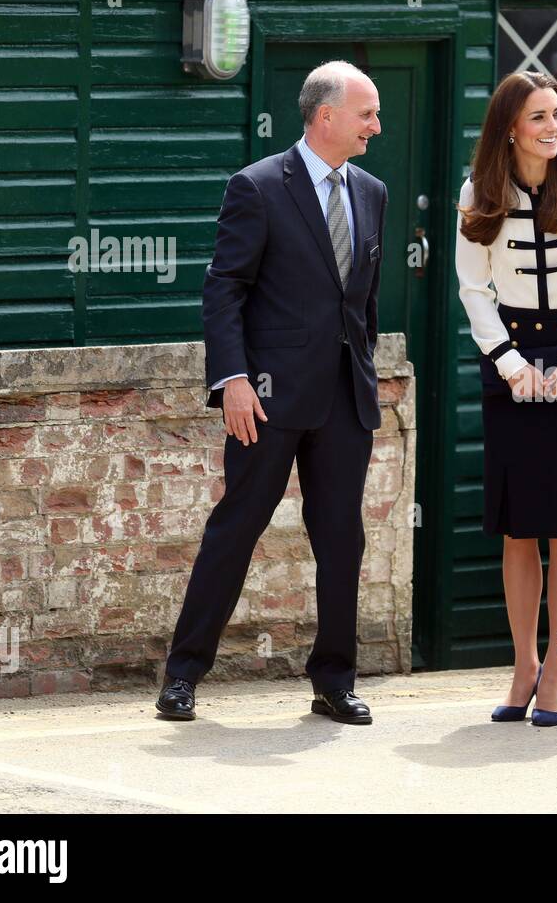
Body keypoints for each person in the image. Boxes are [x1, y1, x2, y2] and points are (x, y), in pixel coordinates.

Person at [155, 61, 386, 725]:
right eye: (367, 113)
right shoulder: (256, 187)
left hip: (345, 399)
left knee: (342, 538)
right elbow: (224, 289)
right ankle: (182, 675)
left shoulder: (372, 191)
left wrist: (364, 371)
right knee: (237, 528)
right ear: (327, 116)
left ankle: (334, 681)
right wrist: (230, 380)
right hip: (266, 397)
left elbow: (360, 303)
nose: (376, 125)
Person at [454, 71, 557, 727]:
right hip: (510, 365)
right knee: (519, 525)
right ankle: (523, 664)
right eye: (539, 117)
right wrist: (509, 363)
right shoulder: (478, 193)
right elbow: (475, 291)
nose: (554, 126)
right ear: (509, 128)